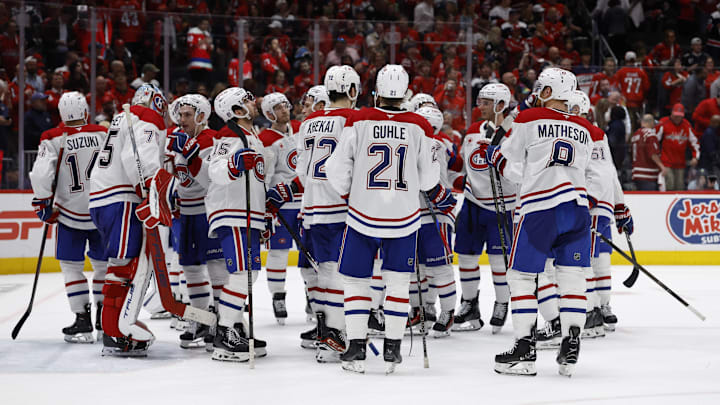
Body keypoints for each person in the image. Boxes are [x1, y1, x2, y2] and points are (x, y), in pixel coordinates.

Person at [325, 64, 454, 374]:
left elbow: (337, 168)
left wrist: (350, 192)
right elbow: (427, 180)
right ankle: (393, 348)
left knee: (356, 282)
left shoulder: (358, 120)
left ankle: (356, 348)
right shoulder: (419, 125)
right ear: (405, 92)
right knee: (397, 283)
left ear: (377, 90)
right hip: (404, 218)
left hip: (362, 214)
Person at [488, 68, 593, 377]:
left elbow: (514, 167)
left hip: (540, 208)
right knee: (572, 277)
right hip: (577, 208)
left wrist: (497, 158)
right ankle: (571, 341)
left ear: (548, 91)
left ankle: (523, 348)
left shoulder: (528, 118)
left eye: (541, 87)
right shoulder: (585, 128)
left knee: (520, 276)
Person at [271, 66, 359, 362]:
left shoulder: (307, 123)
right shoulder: (353, 119)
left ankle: (325, 331)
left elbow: (302, 170)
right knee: (338, 272)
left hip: (311, 208)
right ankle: (336, 331)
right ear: (351, 90)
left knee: (319, 270)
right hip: (341, 206)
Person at [89, 83, 167, 356]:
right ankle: (114, 332)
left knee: (120, 263)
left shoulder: (123, 116)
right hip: (120, 197)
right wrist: (148, 189)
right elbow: (139, 155)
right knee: (123, 266)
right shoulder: (146, 116)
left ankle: (114, 327)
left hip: (102, 196)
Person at [29, 92, 108, 343]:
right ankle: (104, 320)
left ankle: (82, 322)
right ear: (86, 111)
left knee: (72, 267)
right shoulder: (102, 133)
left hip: (68, 213)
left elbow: (41, 174)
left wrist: (42, 201)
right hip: (101, 209)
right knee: (104, 266)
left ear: (61, 114)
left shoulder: (52, 137)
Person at [206, 87, 268, 362]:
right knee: (243, 274)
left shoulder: (253, 136)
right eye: (246, 100)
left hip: (249, 214)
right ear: (236, 110)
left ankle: (233, 325)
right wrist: (233, 164)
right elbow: (215, 168)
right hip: (233, 213)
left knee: (250, 275)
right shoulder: (230, 134)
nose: (253, 103)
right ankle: (224, 333)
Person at [449, 83, 515, 334]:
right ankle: (469, 305)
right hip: (473, 205)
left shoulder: (514, 133)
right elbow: (466, 169)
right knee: (465, 256)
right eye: (480, 101)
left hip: (502, 207)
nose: (481, 107)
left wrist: (499, 160)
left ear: (500, 105)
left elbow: (517, 172)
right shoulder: (473, 132)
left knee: (499, 261)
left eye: (486, 102)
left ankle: (502, 301)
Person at [166, 94, 227, 349]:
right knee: (190, 268)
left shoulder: (210, 139)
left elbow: (211, 180)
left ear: (202, 116)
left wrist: (192, 154)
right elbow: (173, 177)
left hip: (207, 211)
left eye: (187, 115)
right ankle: (202, 319)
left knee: (215, 266)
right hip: (186, 213)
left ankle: (223, 323)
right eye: (180, 115)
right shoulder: (180, 140)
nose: (182, 120)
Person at [569, 90, 629, 339]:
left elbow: (605, 173)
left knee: (586, 261)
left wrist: (617, 205)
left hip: (590, 205)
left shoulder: (591, 133)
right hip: (593, 203)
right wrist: (619, 204)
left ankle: (593, 312)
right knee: (597, 260)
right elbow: (611, 171)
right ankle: (600, 307)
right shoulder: (589, 131)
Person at [412, 105, 458, 338]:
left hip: (434, 213)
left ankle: (448, 312)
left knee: (440, 266)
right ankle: (419, 310)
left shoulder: (435, 144)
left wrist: (437, 195)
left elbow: (434, 179)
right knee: (415, 267)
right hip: (413, 213)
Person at [258, 92, 302, 325]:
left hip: (305, 202)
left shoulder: (300, 129)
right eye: (278, 107)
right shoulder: (265, 139)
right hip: (282, 205)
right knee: (278, 252)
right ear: (269, 113)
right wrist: (267, 205)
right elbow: (265, 177)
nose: (284, 110)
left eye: (286, 105)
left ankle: (312, 297)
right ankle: (278, 296)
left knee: (309, 252)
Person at [656, 104, 699, 191]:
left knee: (679, 187)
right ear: (671, 113)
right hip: (666, 161)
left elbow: (695, 143)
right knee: (670, 184)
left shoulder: (687, 125)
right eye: (675, 116)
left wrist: (695, 157)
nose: (677, 118)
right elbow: (654, 140)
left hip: (680, 163)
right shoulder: (663, 123)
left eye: (679, 116)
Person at [631, 114, 665, 190]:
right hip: (648, 174)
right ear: (651, 122)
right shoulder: (650, 134)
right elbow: (653, 153)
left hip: (636, 173)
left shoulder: (635, 134)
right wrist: (662, 167)